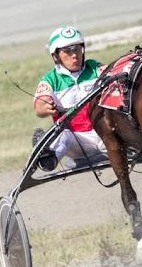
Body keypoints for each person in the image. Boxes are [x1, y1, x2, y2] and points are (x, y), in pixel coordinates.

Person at [33, 26, 108, 170]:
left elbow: (114, 76)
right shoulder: (50, 80)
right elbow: (39, 107)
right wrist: (44, 106)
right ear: (55, 56)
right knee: (63, 135)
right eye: (67, 51)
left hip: (103, 133)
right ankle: (48, 159)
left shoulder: (94, 68)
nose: (75, 55)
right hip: (76, 142)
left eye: (77, 49)